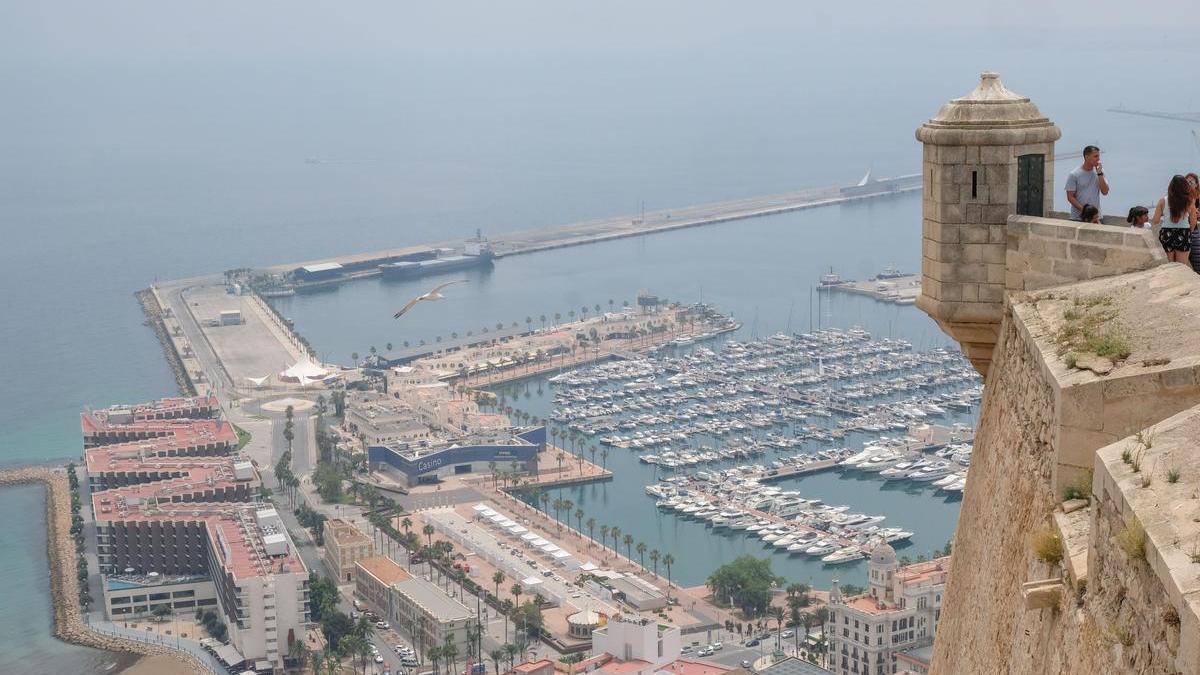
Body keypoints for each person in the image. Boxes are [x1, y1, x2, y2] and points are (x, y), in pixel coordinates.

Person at [1153, 174, 1197, 263]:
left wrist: (1165, 213)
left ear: (1171, 186)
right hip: (1183, 233)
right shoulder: (1190, 201)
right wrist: (1190, 232)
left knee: (1169, 266)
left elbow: (1155, 221)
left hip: (1166, 233)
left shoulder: (1162, 201)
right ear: (1185, 186)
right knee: (1181, 267)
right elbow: (1193, 222)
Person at [1065, 145, 1110, 220]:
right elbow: (1070, 197)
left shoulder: (1100, 172)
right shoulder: (1074, 174)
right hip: (1078, 218)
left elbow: (1105, 192)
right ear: (1086, 157)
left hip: (1096, 217)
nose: (1098, 159)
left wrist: (1099, 174)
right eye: (1095, 156)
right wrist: (1085, 211)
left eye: (1098, 156)